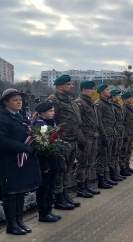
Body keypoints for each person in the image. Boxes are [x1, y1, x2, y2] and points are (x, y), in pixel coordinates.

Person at [0, 88, 41, 235]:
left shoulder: (21, 116)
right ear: (6, 102)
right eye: (15, 100)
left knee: (20, 192)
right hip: (10, 161)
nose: (19, 102)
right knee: (11, 193)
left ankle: (19, 221)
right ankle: (11, 224)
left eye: (20, 99)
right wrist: (24, 147)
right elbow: (2, 141)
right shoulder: (1, 118)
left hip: (22, 160)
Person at [46, 75, 84, 210]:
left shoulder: (71, 101)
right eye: (68, 84)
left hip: (73, 140)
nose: (71, 86)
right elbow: (50, 121)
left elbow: (77, 122)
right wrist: (56, 140)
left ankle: (65, 194)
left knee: (68, 170)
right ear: (59, 86)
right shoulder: (53, 100)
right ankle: (58, 198)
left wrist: (80, 139)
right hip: (62, 141)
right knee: (60, 171)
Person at [32, 101, 62, 223]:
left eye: (53, 111)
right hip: (45, 162)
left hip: (53, 160)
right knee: (43, 188)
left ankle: (49, 209)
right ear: (42, 113)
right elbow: (39, 147)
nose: (53, 113)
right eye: (50, 111)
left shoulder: (51, 123)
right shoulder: (39, 126)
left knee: (51, 187)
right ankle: (43, 213)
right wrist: (44, 164)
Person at [75, 81, 102, 196]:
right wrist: (80, 138)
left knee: (90, 162)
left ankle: (86, 184)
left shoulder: (91, 103)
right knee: (82, 162)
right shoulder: (79, 103)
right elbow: (78, 123)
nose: (93, 91)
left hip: (93, 136)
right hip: (85, 137)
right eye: (91, 89)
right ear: (84, 89)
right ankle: (80, 187)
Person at [95, 84, 117, 188]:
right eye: (107, 89)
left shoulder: (108, 103)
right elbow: (99, 121)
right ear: (101, 92)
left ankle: (106, 177)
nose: (109, 91)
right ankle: (101, 179)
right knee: (102, 158)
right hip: (104, 134)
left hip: (111, 133)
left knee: (108, 157)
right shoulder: (99, 104)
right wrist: (103, 135)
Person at [110, 89, 126, 181]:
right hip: (114, 132)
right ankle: (113, 174)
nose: (120, 97)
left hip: (119, 132)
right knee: (113, 155)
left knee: (117, 154)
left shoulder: (118, 106)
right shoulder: (112, 106)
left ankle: (116, 173)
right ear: (113, 96)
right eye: (118, 95)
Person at [121, 91, 133, 175]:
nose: (131, 98)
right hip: (126, 133)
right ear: (124, 99)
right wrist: (124, 133)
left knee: (128, 151)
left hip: (131, 132)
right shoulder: (124, 109)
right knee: (124, 151)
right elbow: (121, 122)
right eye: (129, 97)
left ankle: (127, 166)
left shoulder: (131, 107)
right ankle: (123, 168)